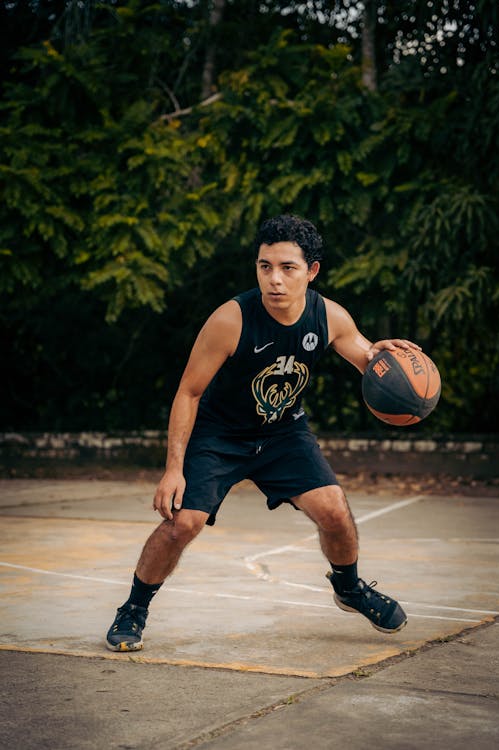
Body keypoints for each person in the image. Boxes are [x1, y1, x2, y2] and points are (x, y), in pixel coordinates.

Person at [106, 214, 420, 652]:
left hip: (283, 434)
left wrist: (382, 356)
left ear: (311, 271)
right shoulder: (230, 320)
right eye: (265, 266)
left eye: (287, 268)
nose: (274, 279)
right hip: (220, 435)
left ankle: (349, 588)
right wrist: (173, 469)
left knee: (333, 509)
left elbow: (368, 362)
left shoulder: (328, 316)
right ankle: (134, 608)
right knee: (182, 524)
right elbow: (188, 392)